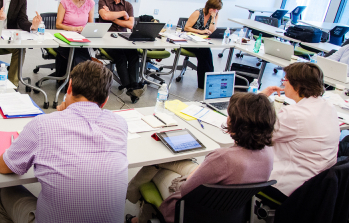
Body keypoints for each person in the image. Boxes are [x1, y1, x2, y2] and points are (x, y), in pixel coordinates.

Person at [0, 60, 128, 223]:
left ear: (69, 86)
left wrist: (62, 114)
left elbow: (3, 167)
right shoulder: (120, 124)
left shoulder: (42, 125)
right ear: (106, 100)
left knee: (3, 192)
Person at [126, 92, 276, 223]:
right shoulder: (268, 153)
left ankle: (133, 200)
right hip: (229, 207)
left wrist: (190, 177)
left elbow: (185, 190)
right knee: (171, 161)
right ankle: (139, 215)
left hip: (189, 209)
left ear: (237, 123)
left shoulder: (222, 158)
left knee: (157, 165)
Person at [260, 62, 340, 200]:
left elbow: (259, 137)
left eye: (285, 80)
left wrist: (260, 97)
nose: (283, 84)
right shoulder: (328, 106)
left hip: (290, 188)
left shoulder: (295, 114)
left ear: (297, 85)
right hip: (317, 184)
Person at [99, 0, 146, 101]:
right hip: (107, 38)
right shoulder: (103, 1)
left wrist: (112, 17)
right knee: (121, 57)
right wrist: (122, 14)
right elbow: (104, 15)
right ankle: (131, 88)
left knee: (134, 55)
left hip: (123, 38)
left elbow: (130, 25)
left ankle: (133, 87)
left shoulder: (128, 5)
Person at [54, 0, 95, 77]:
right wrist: (73, 29)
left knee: (85, 61)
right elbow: (58, 25)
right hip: (65, 38)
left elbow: (91, 24)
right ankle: (73, 84)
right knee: (77, 60)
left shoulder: (90, 2)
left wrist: (87, 30)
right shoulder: (65, 1)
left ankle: (82, 84)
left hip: (81, 39)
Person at [183, 0, 222, 89]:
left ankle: (208, 81)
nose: (215, 11)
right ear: (209, 6)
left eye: (217, 9)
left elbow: (212, 30)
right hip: (189, 41)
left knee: (207, 54)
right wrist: (201, 31)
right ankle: (204, 83)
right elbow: (186, 27)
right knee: (204, 53)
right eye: (213, 8)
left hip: (201, 42)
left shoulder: (215, 15)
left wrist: (212, 18)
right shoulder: (198, 13)